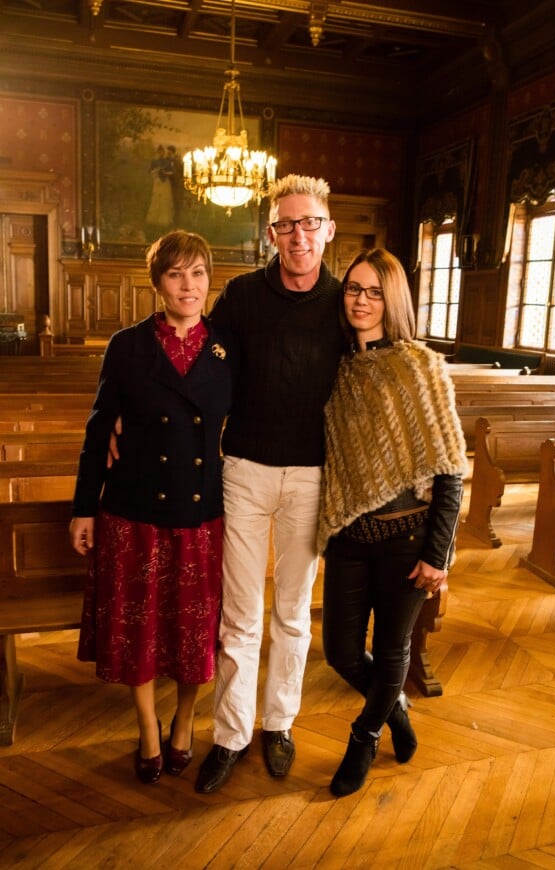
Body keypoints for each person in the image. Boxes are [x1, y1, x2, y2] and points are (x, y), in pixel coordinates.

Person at [193, 174, 345, 793]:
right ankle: (230, 733)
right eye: (287, 224)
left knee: (292, 614)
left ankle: (278, 723)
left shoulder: (347, 300)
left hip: (312, 474)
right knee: (240, 615)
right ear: (272, 233)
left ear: (328, 230)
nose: (299, 235)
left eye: (310, 223)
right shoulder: (240, 296)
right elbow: (204, 374)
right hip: (246, 471)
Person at [70, 230, 234, 785]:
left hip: (200, 513)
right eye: (175, 274)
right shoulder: (128, 345)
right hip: (133, 511)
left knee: (192, 632)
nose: (188, 285)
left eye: (197, 273)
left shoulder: (228, 347)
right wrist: (82, 508)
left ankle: (185, 720)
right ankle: (146, 726)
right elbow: (98, 433)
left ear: (210, 279)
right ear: (157, 282)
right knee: (137, 630)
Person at [317, 247, 468, 797]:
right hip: (348, 537)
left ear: (393, 298)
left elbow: (452, 468)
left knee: (392, 651)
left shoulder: (419, 366)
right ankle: (397, 716)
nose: (361, 300)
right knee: (339, 651)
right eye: (354, 289)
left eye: (374, 291)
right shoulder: (336, 367)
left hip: (408, 538)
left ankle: (363, 737)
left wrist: (438, 554)